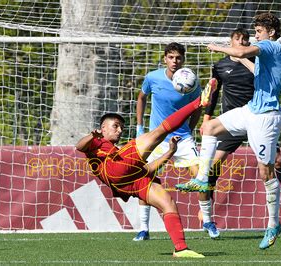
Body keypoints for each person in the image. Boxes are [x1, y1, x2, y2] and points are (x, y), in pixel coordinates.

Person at [176, 13, 281, 250]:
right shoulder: (266, 53)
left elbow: (240, 52)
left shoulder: (272, 46)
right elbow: (248, 63)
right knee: (210, 127)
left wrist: (216, 47)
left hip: (266, 118)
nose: (255, 36)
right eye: (255, 31)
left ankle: (273, 224)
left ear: (271, 32)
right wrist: (237, 58)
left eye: (258, 31)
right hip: (251, 110)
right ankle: (202, 179)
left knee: (266, 173)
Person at [75, 83, 213, 258]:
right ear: (103, 128)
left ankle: (181, 248)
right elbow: (79, 146)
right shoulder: (97, 141)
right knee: (159, 131)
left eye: (121, 127)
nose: (119, 130)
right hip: (114, 167)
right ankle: (198, 102)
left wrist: (170, 152)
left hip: (128, 182)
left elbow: (147, 169)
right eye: (115, 126)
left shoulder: (118, 150)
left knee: (168, 203)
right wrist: (91, 136)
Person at [133, 42, 219, 241]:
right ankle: (144, 229)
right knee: (146, 179)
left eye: (178, 58)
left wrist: (189, 128)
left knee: (201, 178)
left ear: (183, 60)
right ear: (165, 58)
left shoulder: (192, 82)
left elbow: (198, 106)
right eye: (171, 57)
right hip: (157, 138)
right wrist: (139, 127)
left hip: (183, 138)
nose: (174, 61)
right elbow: (141, 98)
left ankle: (207, 221)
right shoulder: (153, 77)